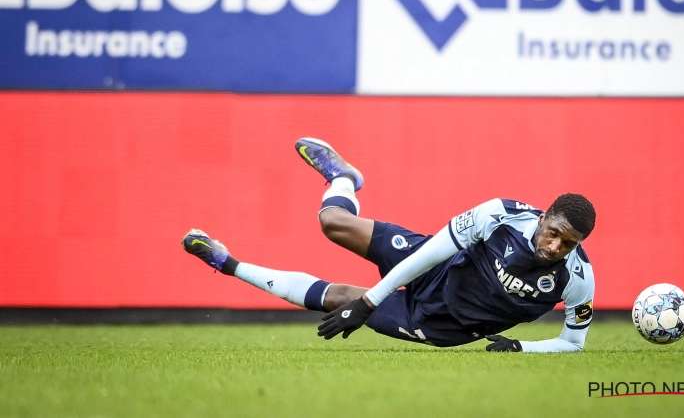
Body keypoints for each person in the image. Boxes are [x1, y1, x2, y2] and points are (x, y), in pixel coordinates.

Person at [182, 138, 596, 352]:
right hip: (435, 267)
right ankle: (344, 178)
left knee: (339, 297)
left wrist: (520, 347)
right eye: (553, 232)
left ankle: (227, 262)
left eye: (568, 243)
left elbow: (573, 344)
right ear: (543, 216)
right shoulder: (499, 213)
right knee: (333, 223)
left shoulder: (577, 279)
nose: (556, 246)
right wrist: (370, 303)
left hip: (440, 324)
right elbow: (432, 251)